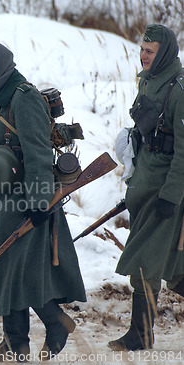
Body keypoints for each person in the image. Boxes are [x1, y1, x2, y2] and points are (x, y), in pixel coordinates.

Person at [0, 40, 86, 361]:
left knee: (18, 269)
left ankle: (55, 322)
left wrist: (38, 202)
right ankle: (15, 342)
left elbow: (37, 152)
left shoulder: (24, 97)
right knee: (7, 267)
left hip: (24, 200)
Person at [109, 24, 184, 352]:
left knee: (145, 260)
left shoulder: (179, 90)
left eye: (149, 51)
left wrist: (171, 195)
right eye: (141, 49)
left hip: (164, 191)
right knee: (172, 267)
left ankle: (140, 334)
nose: (142, 55)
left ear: (164, 52)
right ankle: (141, 333)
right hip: (143, 184)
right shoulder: (147, 82)